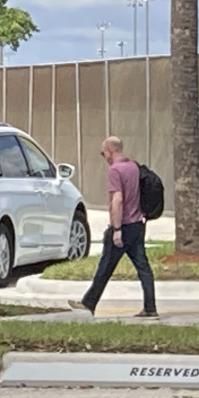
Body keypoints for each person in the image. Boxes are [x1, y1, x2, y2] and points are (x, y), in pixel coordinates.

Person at [68, 136, 157, 318]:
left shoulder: (115, 171)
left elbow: (117, 200)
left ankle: (88, 304)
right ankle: (150, 307)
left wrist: (116, 230)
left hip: (123, 227)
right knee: (144, 268)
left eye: (103, 153)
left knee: (105, 267)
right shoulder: (133, 167)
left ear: (110, 150)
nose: (104, 157)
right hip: (137, 225)